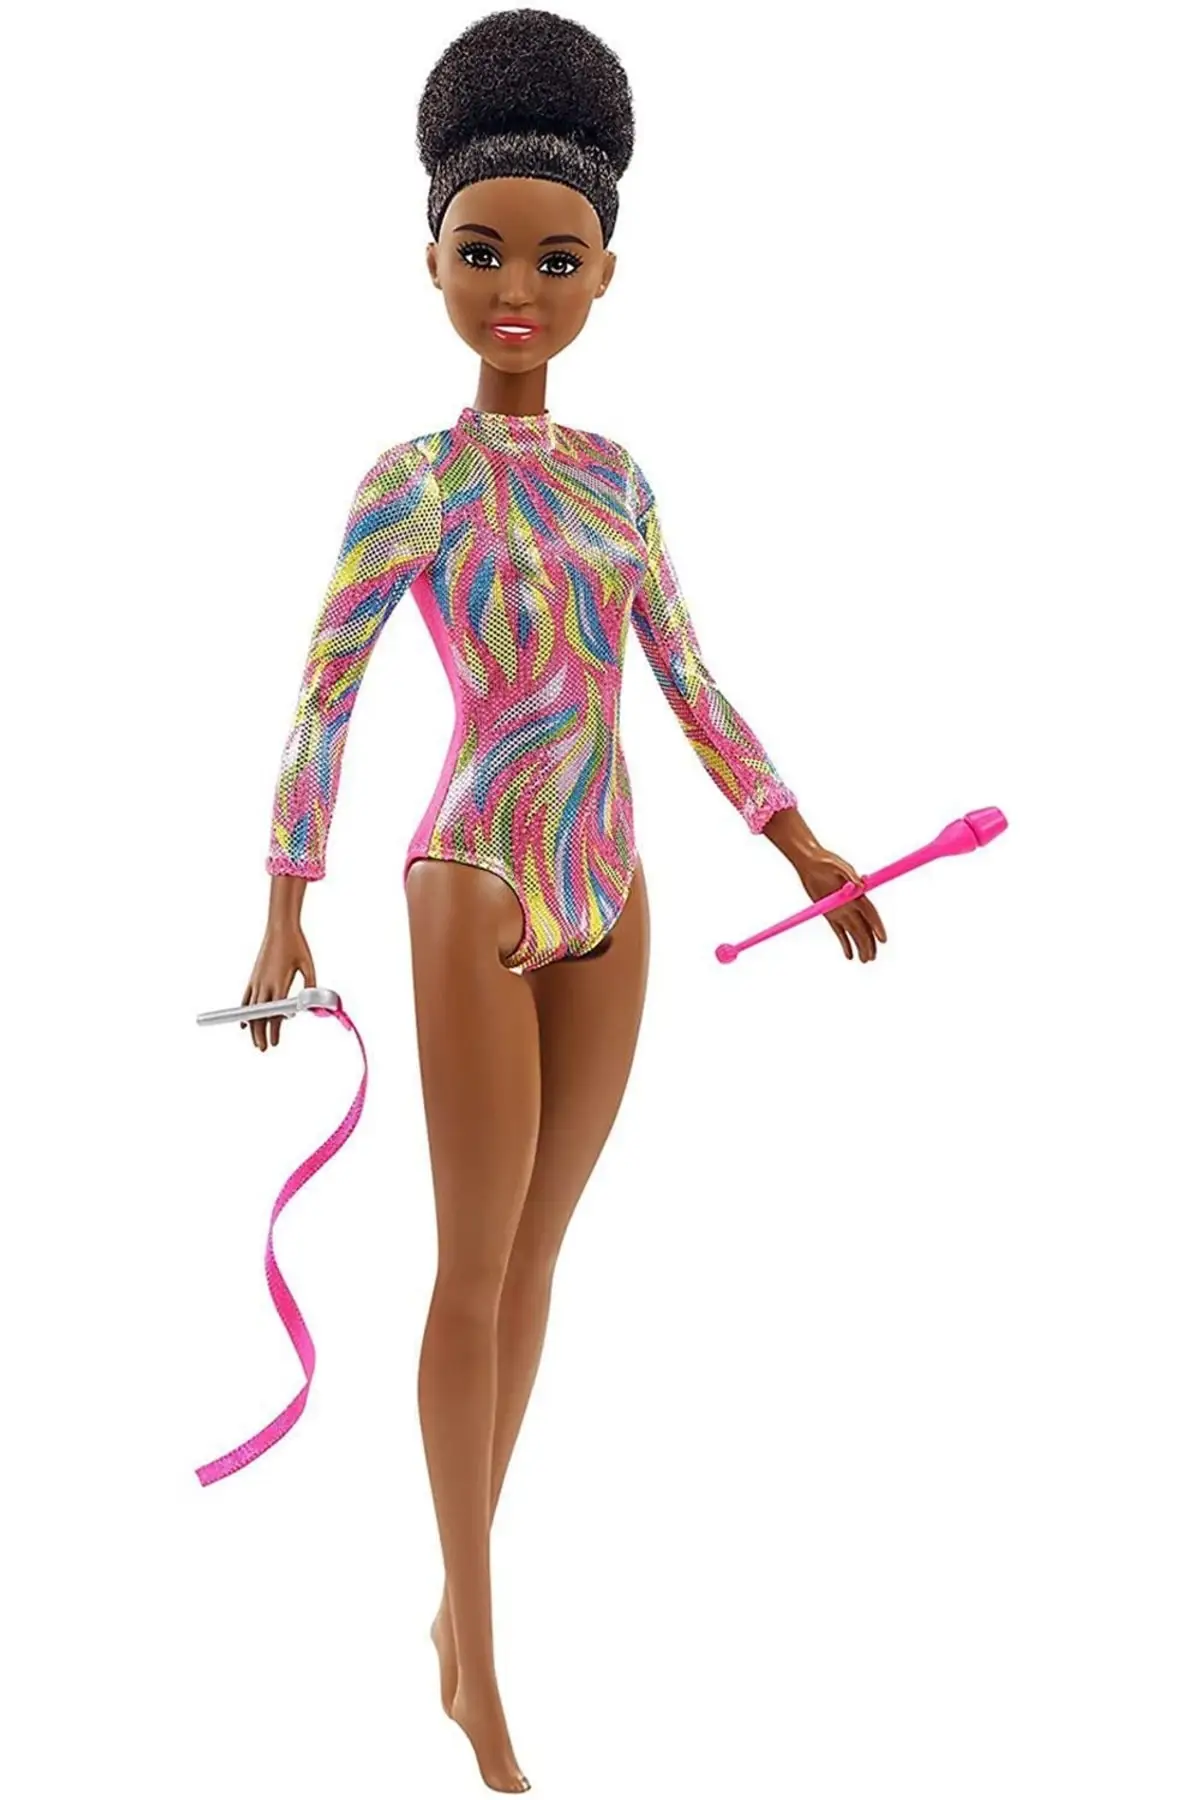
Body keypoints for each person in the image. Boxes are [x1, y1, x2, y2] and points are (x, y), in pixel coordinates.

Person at [241, 9, 886, 1790]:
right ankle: (479, 1655)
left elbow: (687, 676)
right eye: (481, 253)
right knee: (468, 1271)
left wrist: (799, 837)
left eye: (553, 259)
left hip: (612, 884)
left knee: (535, 1264)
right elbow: (326, 694)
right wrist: (287, 894)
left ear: (607, 272)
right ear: (431, 261)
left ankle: (455, 1621)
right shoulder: (412, 483)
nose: (514, 289)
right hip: (475, 874)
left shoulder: (617, 481)